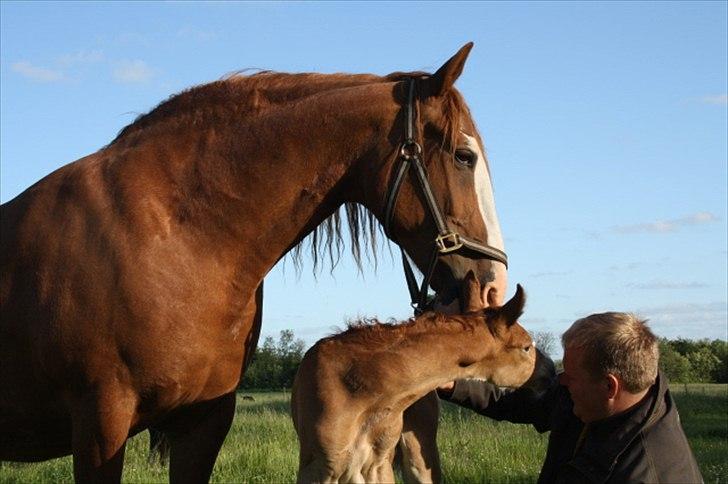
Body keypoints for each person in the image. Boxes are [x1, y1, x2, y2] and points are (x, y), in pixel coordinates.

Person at [437, 312, 703, 483]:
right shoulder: (591, 401)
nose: (561, 381)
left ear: (610, 388)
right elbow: (520, 403)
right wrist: (453, 385)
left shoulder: (645, 472)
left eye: (571, 375)